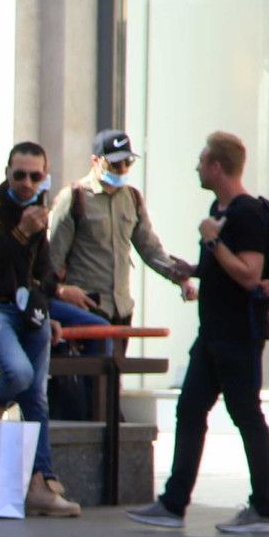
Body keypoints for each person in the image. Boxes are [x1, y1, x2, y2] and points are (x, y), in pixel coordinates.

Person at [128, 132, 269, 536]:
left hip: (239, 335)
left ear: (217, 167)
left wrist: (212, 241)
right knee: (190, 409)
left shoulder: (246, 214)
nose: (196, 167)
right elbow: (224, 269)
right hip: (212, 335)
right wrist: (193, 269)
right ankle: (173, 502)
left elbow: (250, 274)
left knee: (246, 415)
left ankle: (264, 508)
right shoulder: (220, 208)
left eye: (201, 161)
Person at [0, 141, 79, 516]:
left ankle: (42, 482)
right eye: (19, 175)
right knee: (20, 373)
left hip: (26, 312)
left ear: (44, 177)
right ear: (8, 172)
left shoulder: (37, 212)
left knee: (37, 398)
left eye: (35, 176)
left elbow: (41, 272)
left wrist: (45, 309)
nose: (26, 183)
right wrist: (20, 235)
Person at [45, 128, 193, 417]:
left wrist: (180, 278)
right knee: (90, 391)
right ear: (96, 161)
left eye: (128, 163)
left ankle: (109, 444)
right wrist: (59, 294)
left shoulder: (132, 198)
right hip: (86, 306)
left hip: (120, 308)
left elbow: (151, 248)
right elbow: (52, 258)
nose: (122, 169)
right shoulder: (75, 197)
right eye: (115, 164)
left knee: (111, 383)